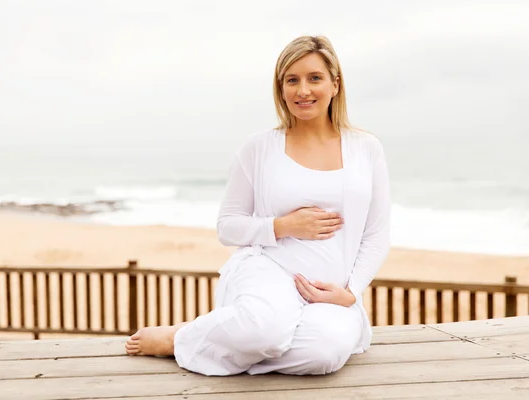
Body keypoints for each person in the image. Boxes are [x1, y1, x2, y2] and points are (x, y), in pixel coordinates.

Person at [125, 35, 391, 376]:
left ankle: (208, 337)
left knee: (324, 353)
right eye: (291, 80)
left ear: (335, 84)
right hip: (269, 270)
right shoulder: (260, 148)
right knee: (262, 329)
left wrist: (351, 293)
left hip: (331, 288)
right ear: (280, 89)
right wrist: (282, 226)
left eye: (314, 78)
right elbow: (227, 227)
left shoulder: (366, 148)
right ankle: (184, 337)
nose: (303, 90)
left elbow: (377, 233)